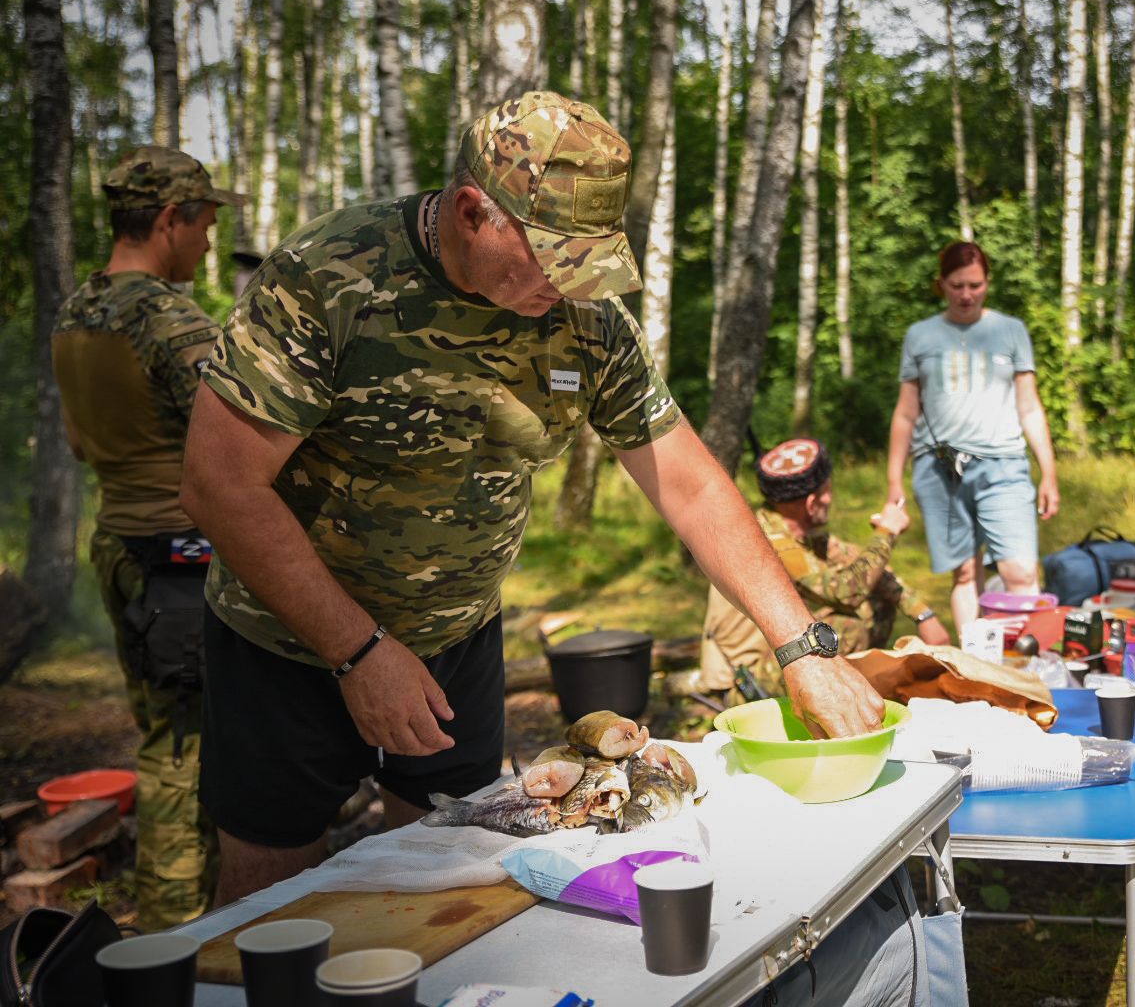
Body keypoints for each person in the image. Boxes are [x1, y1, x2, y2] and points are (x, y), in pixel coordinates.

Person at [179, 92, 884, 905]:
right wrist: (359, 651)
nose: (572, 284)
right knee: (269, 909)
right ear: (475, 211)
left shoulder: (584, 318)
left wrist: (802, 647)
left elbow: (687, 481)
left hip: (458, 640)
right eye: (555, 258)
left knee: (447, 883)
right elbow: (220, 484)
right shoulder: (330, 277)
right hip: (287, 649)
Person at [51, 146, 246, 929]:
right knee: (184, 752)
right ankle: (179, 935)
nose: (207, 242)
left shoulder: (76, 312)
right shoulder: (169, 319)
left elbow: (74, 442)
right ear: (169, 219)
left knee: (163, 730)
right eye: (203, 223)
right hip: (181, 560)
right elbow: (243, 435)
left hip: (120, 547)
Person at [688, 437, 951, 702]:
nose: (831, 498)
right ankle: (842, 698)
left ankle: (855, 691)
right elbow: (846, 592)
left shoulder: (794, 530)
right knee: (850, 621)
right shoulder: (771, 543)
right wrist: (886, 533)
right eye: (828, 491)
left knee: (873, 600)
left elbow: (861, 565)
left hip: (777, 650)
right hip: (749, 675)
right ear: (813, 503)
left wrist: (923, 614)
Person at [886, 240, 1060, 634]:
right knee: (965, 573)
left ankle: (1024, 667)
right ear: (941, 284)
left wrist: (1048, 473)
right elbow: (906, 411)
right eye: (957, 285)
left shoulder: (1011, 331)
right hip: (939, 469)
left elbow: (1030, 406)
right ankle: (976, 668)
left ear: (987, 283)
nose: (967, 295)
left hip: (1004, 464)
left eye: (975, 285)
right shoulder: (920, 336)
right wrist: (894, 479)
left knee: (1019, 570)